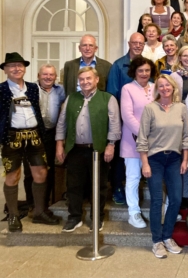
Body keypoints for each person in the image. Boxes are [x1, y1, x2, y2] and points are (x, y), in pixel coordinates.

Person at [55, 67, 121, 232]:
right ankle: (74, 217)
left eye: (88, 78)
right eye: (82, 79)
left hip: (98, 150)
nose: (85, 82)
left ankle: (97, 218)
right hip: (75, 149)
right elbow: (62, 123)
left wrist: (111, 145)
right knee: (74, 185)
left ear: (97, 79)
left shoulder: (108, 98)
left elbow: (114, 125)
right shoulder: (71, 98)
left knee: (98, 186)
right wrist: (59, 144)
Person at [1, 53, 59, 232]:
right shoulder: (1, 89)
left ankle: (39, 211)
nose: (16, 68)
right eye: (12, 66)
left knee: (41, 173)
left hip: (34, 136)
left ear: (25, 68)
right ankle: (13, 215)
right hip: (12, 137)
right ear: (5, 70)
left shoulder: (33, 88)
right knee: (13, 175)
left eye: (19, 65)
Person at [136, 74, 188, 258]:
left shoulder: (181, 108)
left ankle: (167, 236)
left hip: (174, 159)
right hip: (155, 160)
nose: (165, 88)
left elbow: (186, 137)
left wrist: (185, 159)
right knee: (157, 200)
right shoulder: (150, 108)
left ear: (173, 87)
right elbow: (142, 138)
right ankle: (157, 241)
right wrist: (145, 164)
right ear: (157, 89)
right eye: (161, 85)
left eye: (168, 85)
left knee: (175, 198)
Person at [106, 32, 146, 205]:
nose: (137, 45)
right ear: (129, 44)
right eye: (134, 43)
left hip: (142, 120)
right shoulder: (118, 65)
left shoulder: (147, 65)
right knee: (121, 157)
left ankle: (138, 185)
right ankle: (117, 187)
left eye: (141, 43)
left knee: (141, 154)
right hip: (122, 120)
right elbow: (112, 95)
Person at [120, 56, 156, 229]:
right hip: (132, 141)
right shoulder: (127, 89)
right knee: (133, 177)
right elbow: (127, 116)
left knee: (158, 177)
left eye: (147, 70)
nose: (144, 73)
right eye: (140, 70)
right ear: (134, 71)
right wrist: (144, 135)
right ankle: (133, 212)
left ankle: (162, 208)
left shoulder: (156, 88)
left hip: (156, 141)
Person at [37, 64, 66, 207]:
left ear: (55, 77)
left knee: (49, 168)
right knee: (33, 170)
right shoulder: (31, 89)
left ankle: (46, 201)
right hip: (34, 133)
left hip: (52, 134)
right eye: (45, 74)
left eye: (51, 75)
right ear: (38, 76)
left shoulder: (61, 91)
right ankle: (33, 204)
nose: (48, 77)